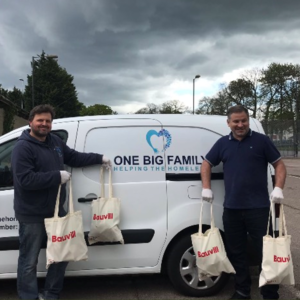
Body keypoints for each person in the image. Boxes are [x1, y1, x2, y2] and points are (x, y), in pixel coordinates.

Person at [11, 104, 112, 300]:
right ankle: (29, 296)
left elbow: (74, 157)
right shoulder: (22, 147)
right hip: (32, 215)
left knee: (62, 254)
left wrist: (100, 158)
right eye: (40, 120)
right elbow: (25, 180)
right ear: (30, 122)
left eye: (48, 121)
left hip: (57, 212)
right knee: (29, 260)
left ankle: (51, 294)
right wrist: (56, 176)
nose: (44, 124)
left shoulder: (55, 141)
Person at [200, 105, 286, 300]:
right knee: (236, 252)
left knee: (266, 252)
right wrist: (206, 187)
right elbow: (206, 163)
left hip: (260, 209)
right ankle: (242, 291)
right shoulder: (222, 143)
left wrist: (278, 187)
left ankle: (270, 293)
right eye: (236, 121)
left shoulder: (261, 141)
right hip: (232, 209)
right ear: (228, 123)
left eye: (243, 120)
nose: (240, 125)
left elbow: (279, 164)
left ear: (248, 120)